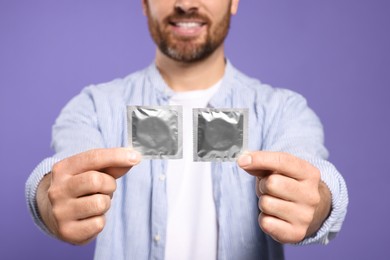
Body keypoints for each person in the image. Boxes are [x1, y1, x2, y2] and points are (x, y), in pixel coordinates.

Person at [26, 0, 348, 259]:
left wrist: (316, 202)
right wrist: (47, 198)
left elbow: (315, 173)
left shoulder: (282, 110)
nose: (185, 3)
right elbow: (59, 172)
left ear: (234, 1)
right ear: (144, 3)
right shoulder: (95, 106)